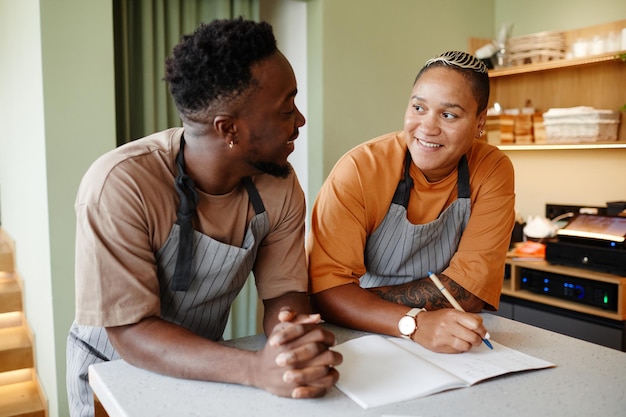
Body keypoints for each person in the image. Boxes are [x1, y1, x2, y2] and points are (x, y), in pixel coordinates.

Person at [67, 18, 341, 417]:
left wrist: (291, 344)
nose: (299, 121)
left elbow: (284, 289)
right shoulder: (119, 186)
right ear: (228, 129)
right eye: (286, 109)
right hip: (112, 370)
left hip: (207, 365)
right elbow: (130, 331)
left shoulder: (278, 183)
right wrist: (254, 369)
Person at [307, 51, 515, 354]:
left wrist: (354, 300)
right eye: (419, 108)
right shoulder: (360, 169)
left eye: (449, 115)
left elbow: (469, 294)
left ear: (480, 122)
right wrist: (413, 322)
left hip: (445, 335)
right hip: (361, 338)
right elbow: (325, 293)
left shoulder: (492, 169)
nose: (427, 128)